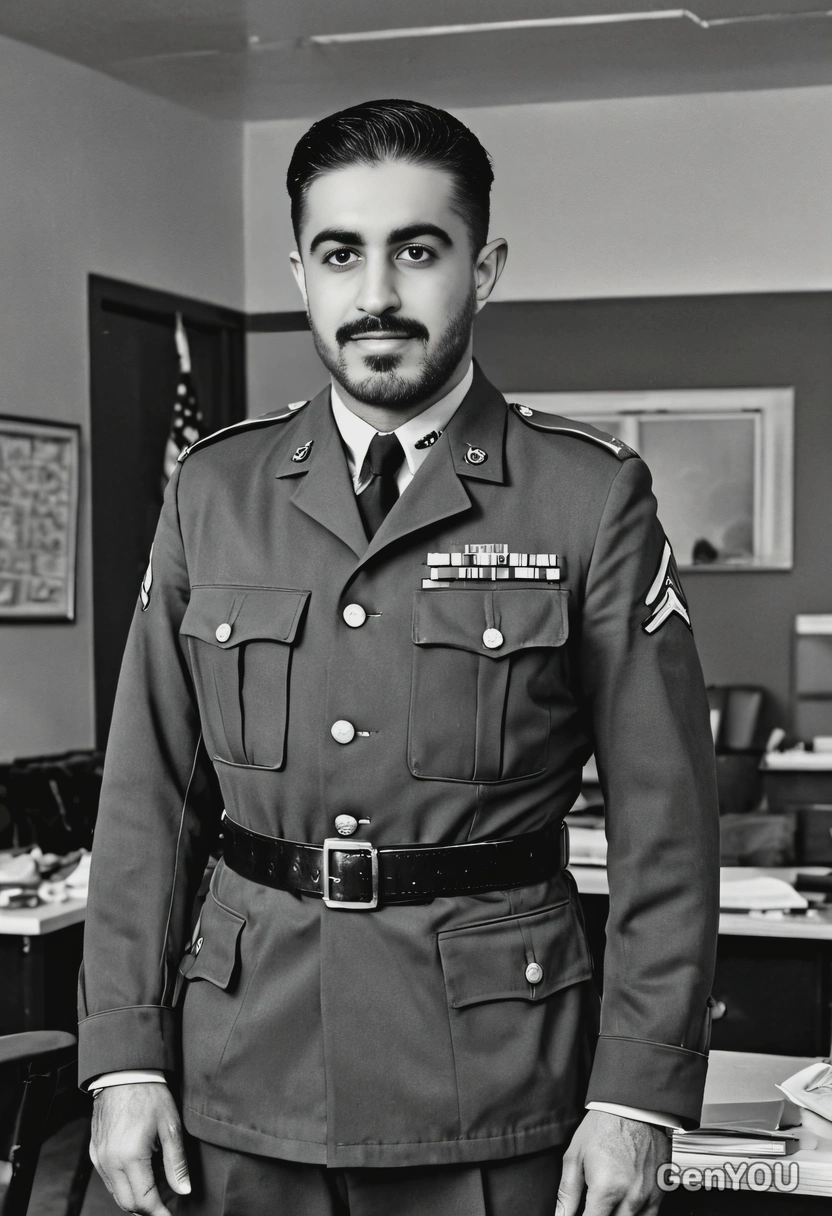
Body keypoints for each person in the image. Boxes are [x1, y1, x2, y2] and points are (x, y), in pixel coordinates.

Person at [80, 99, 719, 1216]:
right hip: (243, 1069)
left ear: (483, 268)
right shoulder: (215, 491)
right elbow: (147, 800)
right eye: (340, 254)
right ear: (301, 272)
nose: (375, 293)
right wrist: (124, 1056)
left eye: (417, 250)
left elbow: (665, 822)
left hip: (491, 1077)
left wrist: (637, 1096)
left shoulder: (585, 495)